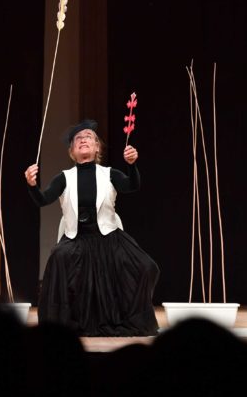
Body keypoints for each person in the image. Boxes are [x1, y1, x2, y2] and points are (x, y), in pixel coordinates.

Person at [24, 119, 159, 336]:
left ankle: (129, 317)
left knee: (146, 267)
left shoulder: (110, 174)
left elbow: (132, 186)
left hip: (109, 237)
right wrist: (32, 185)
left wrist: (131, 165)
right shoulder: (64, 178)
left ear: (97, 147)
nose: (83, 139)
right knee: (58, 258)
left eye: (89, 137)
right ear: (72, 151)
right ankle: (60, 325)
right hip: (76, 239)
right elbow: (42, 199)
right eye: (78, 138)